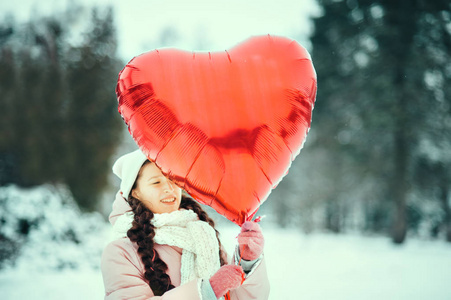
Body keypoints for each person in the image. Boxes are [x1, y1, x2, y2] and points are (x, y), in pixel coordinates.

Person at [101, 149, 270, 299]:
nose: (168, 188)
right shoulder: (120, 251)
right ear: (135, 192)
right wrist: (205, 291)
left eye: (172, 180)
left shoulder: (202, 235)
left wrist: (248, 261)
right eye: (156, 182)